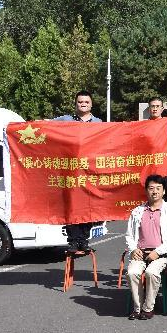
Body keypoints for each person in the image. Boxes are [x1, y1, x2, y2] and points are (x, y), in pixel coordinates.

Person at [53, 90, 102, 252]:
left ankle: (84, 239)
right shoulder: (65, 120)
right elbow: (45, 127)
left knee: (88, 205)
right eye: (80, 102)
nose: (83, 104)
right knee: (71, 205)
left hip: (90, 171)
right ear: (75, 104)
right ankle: (73, 240)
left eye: (86, 102)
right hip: (71, 171)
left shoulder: (98, 123)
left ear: (91, 104)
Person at [125, 175, 167, 320]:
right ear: (146, 191)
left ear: (164, 191)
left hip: (160, 255)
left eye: (158, 188)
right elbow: (129, 235)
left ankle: (148, 308)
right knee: (132, 273)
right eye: (151, 188)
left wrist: (158, 252)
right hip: (140, 252)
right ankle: (137, 308)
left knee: (151, 273)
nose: (154, 192)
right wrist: (133, 249)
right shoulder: (137, 211)